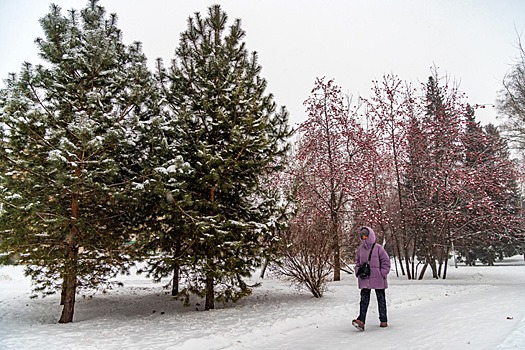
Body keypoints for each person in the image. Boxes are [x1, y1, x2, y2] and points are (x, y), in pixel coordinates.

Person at [352, 226, 391, 331]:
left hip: (378, 278)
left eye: (366, 236)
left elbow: (386, 262)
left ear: (370, 236)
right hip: (365, 278)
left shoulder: (378, 248)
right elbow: (357, 262)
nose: (364, 238)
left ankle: (383, 320)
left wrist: (382, 273)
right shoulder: (360, 249)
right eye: (362, 236)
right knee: (364, 300)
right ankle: (361, 320)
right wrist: (358, 271)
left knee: (381, 299)